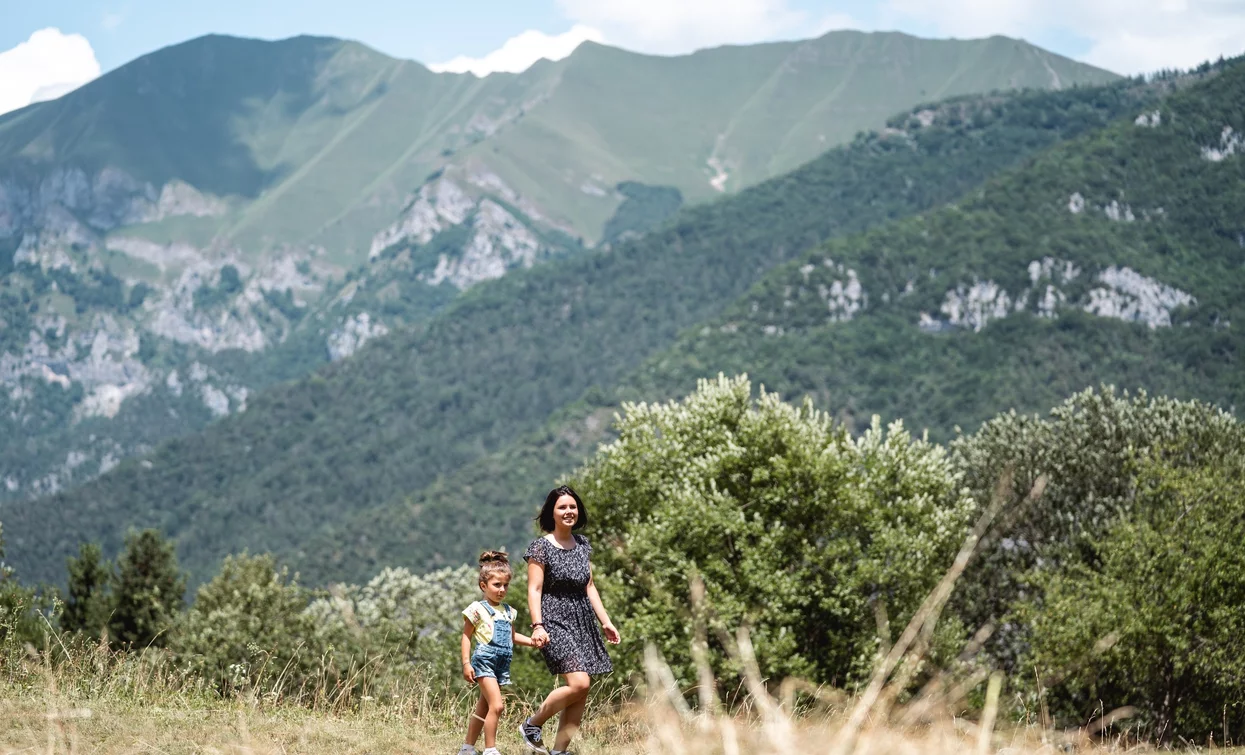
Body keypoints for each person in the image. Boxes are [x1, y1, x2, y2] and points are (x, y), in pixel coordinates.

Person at [518, 485, 621, 755]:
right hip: (553, 620)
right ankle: (532, 724)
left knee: (581, 691)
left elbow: (589, 586)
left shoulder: (582, 544)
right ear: (551, 512)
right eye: (562, 507)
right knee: (580, 683)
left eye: (572, 507)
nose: (568, 511)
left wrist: (605, 621)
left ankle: (560, 751)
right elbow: (534, 590)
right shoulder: (540, 548)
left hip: (583, 621)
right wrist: (538, 624)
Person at [458, 551, 541, 755]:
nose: (502, 590)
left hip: (501, 664)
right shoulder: (477, 609)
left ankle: (467, 748)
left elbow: (512, 637)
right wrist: (467, 663)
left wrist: (533, 641)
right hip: (484, 661)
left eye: (505, 585)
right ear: (483, 586)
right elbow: (466, 636)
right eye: (497, 585)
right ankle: (490, 749)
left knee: (484, 707)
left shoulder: (508, 611)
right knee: (498, 706)